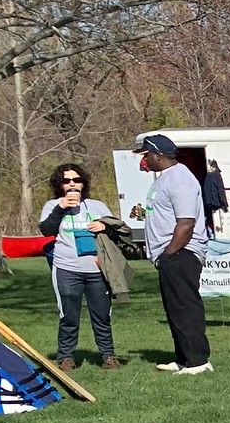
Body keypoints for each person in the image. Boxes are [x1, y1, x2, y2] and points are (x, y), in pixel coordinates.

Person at [130, 133, 211, 375]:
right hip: (169, 255)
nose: (143, 160)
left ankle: (198, 361)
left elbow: (186, 223)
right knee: (174, 308)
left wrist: (169, 253)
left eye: (146, 155)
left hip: (181, 253)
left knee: (185, 306)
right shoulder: (164, 178)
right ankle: (183, 358)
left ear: (158, 155)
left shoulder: (180, 179)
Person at [37, 164, 120, 369]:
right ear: (60, 185)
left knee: (102, 315)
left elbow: (116, 233)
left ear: (84, 183)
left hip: (97, 269)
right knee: (68, 316)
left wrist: (105, 227)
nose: (72, 184)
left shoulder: (97, 206)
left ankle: (108, 356)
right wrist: (61, 207)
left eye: (76, 180)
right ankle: (66, 357)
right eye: (66, 181)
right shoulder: (52, 205)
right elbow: (46, 230)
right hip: (66, 268)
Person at [202, 160, 230, 234]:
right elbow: (220, 189)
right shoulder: (216, 174)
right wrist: (224, 203)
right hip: (216, 202)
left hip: (208, 202)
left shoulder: (208, 174)